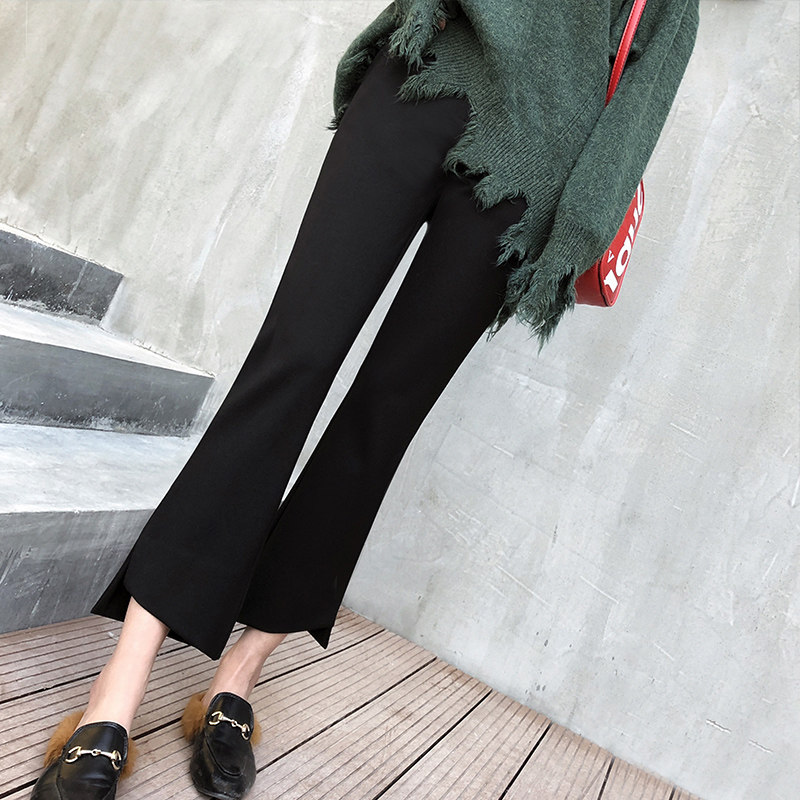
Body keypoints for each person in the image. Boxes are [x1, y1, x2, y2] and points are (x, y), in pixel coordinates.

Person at [29, 2, 699, 798]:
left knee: (381, 419)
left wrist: (573, 232)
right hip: (428, 78)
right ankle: (119, 687)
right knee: (291, 361)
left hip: (528, 182)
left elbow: (643, 96)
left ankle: (237, 678)